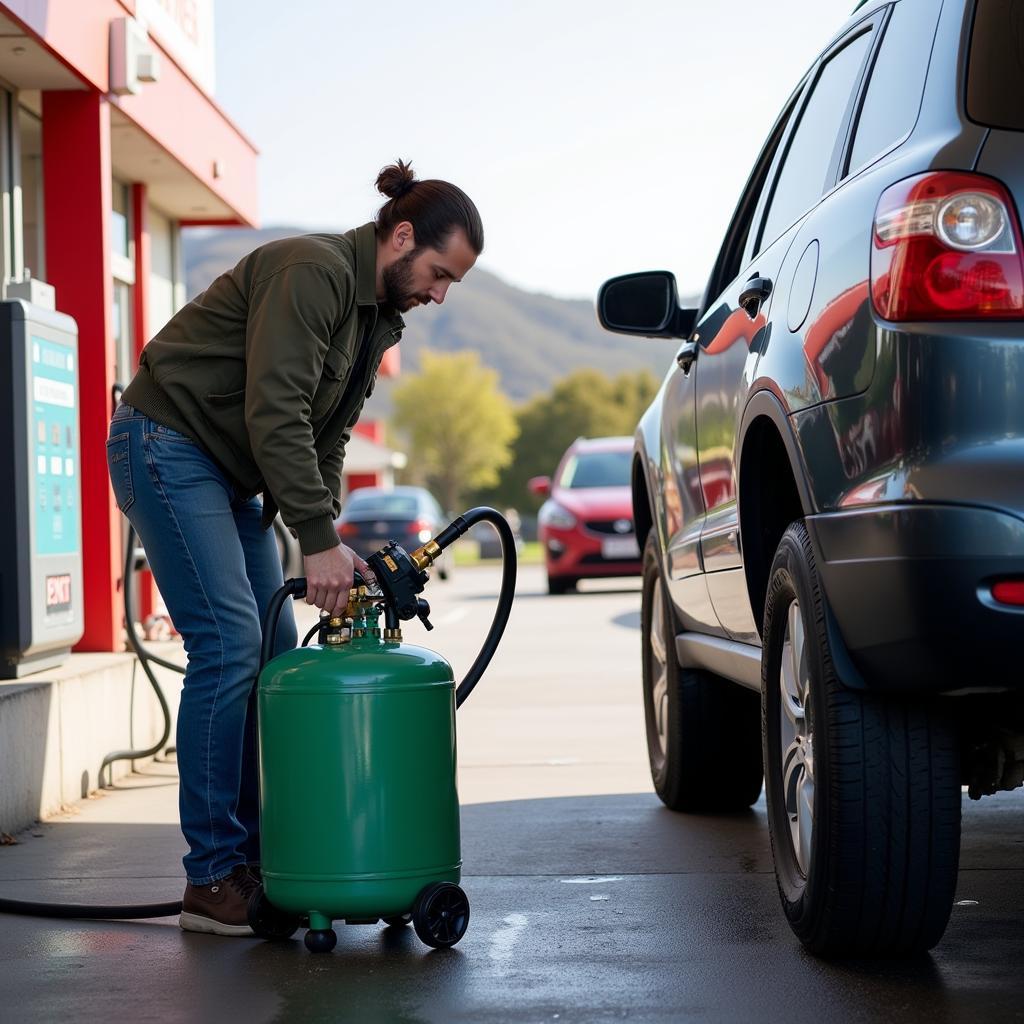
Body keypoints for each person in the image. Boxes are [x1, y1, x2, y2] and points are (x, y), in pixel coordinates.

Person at [107, 160, 483, 936]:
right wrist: (313, 540)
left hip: (227, 472)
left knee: (277, 656)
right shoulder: (311, 273)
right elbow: (276, 409)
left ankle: (260, 862)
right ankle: (212, 878)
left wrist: (330, 538)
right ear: (401, 237)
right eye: (439, 273)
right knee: (230, 643)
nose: (441, 293)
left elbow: (328, 436)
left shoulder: (377, 317)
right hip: (167, 443)